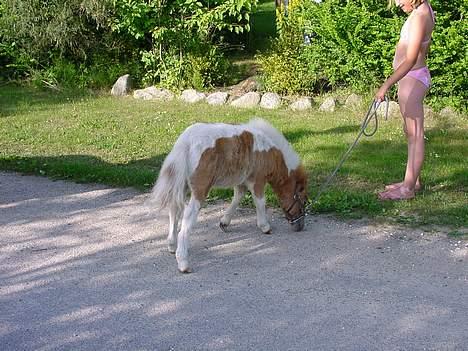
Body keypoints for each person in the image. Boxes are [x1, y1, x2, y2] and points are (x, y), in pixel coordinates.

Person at [375, 0, 435, 200]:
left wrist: (386, 85)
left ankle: (407, 189)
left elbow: (410, 59)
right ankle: (413, 180)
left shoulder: (420, 16)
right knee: (410, 132)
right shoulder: (422, 9)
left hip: (413, 78)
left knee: (415, 134)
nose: (399, 3)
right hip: (412, 79)